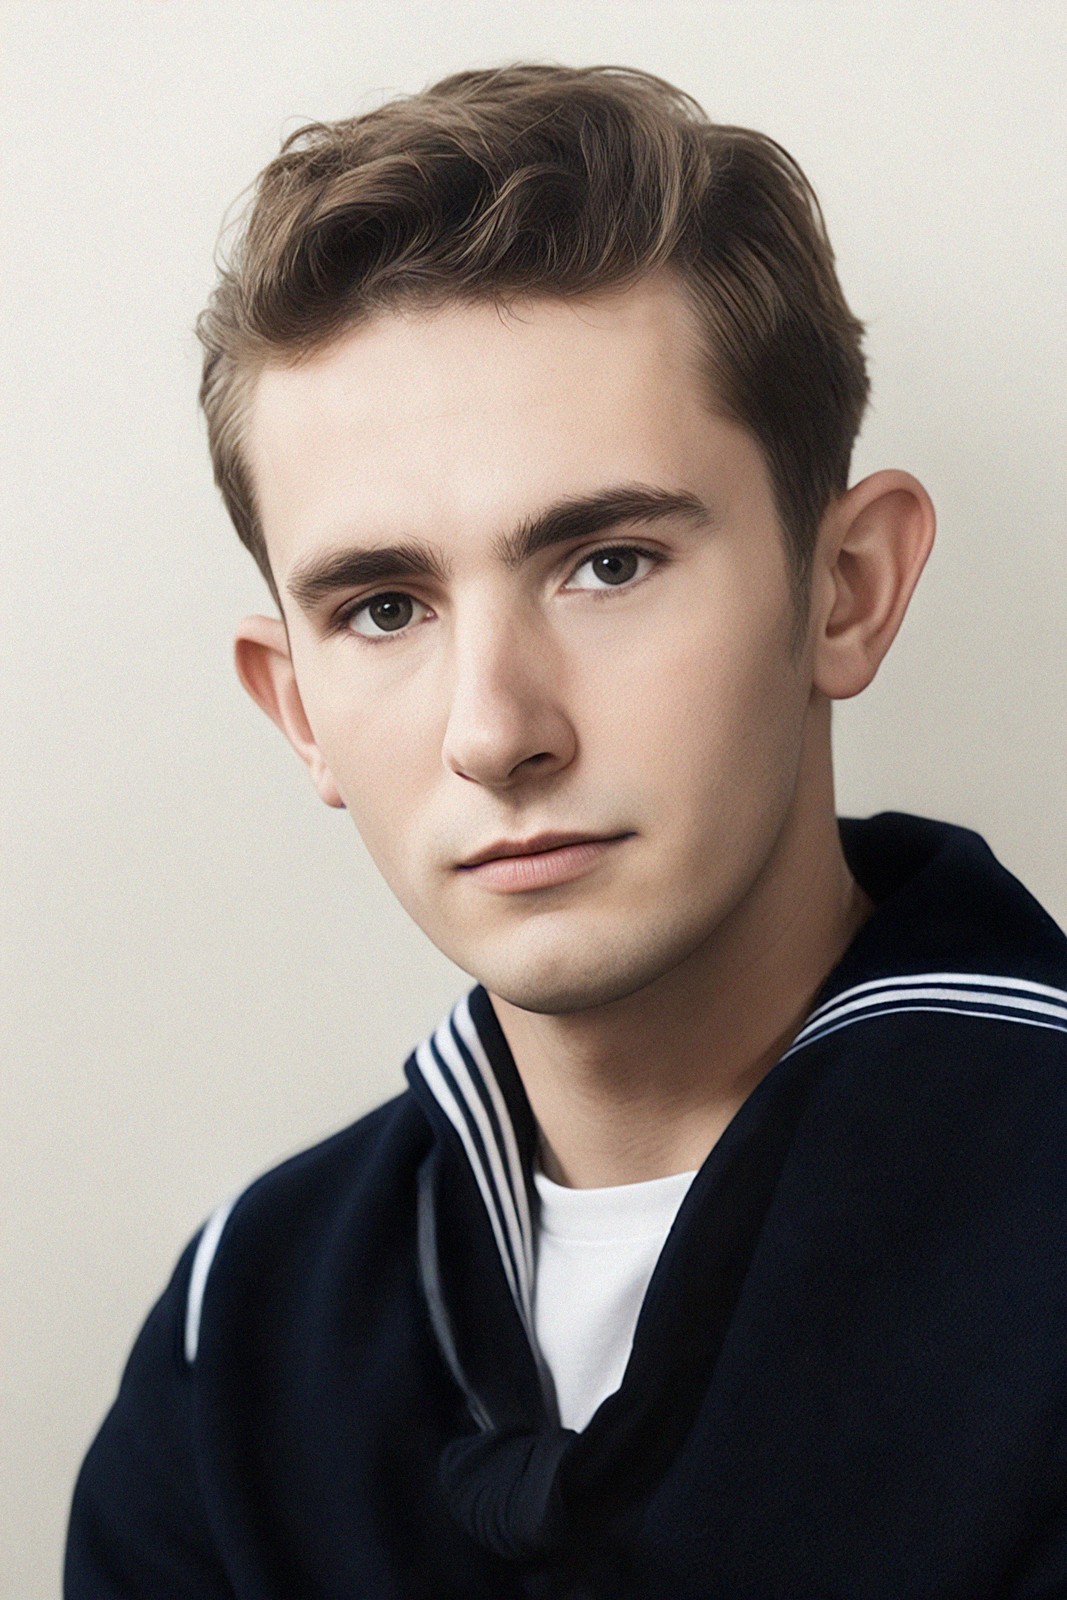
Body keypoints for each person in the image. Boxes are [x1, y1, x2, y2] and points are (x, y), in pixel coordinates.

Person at [65, 63, 1067, 1599]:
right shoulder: (238, 1341)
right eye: (383, 607)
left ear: (847, 590)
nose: (495, 730)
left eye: (608, 563)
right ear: (298, 708)